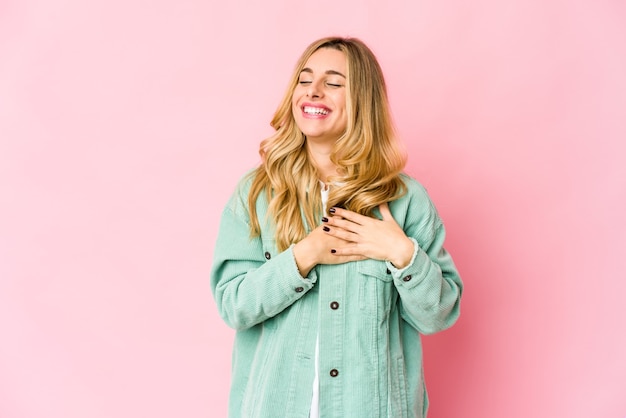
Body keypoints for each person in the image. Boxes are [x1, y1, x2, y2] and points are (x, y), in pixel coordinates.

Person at [210, 36, 463, 418]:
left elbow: (438, 315)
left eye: (333, 82)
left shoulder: (404, 199)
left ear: (362, 100)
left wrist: (401, 253)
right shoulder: (257, 193)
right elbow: (233, 306)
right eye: (304, 79)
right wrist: (303, 256)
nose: (313, 91)